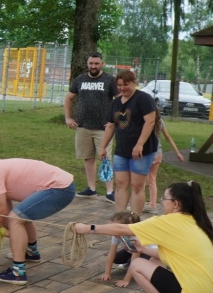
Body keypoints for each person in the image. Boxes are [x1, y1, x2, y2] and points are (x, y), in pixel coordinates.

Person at [74, 181, 213, 293]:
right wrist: (143, 249)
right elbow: (173, 256)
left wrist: (87, 228)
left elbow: (122, 228)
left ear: (176, 204)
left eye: (164, 199)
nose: (161, 202)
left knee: (137, 265)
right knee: (155, 260)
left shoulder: (168, 222)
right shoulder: (197, 223)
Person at [0, 153, 76, 285]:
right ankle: (31, 253)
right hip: (63, 186)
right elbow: (4, 214)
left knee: (15, 218)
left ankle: (18, 273)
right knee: (18, 216)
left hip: (59, 189)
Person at [100, 70, 157, 217]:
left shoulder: (143, 99)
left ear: (134, 83)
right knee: (120, 184)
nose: (122, 88)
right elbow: (111, 125)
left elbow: (150, 121)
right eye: (119, 85)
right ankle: (119, 218)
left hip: (142, 151)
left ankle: (135, 219)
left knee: (137, 186)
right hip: (122, 150)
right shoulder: (115, 103)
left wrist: (139, 144)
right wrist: (103, 147)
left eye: (126, 85)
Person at [64, 52, 118, 202]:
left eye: (96, 63)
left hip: (103, 128)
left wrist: (114, 120)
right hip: (83, 127)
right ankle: (91, 189)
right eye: (91, 63)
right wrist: (68, 118)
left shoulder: (109, 80)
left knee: (105, 158)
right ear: (87, 64)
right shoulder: (80, 79)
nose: (93, 66)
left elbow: (120, 100)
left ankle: (109, 192)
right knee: (88, 158)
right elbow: (68, 98)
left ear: (102, 64)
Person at [145, 108, 185, 212]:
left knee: (141, 180)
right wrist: (177, 153)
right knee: (152, 179)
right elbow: (168, 137)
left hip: (149, 153)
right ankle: (152, 205)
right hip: (159, 153)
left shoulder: (146, 121)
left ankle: (140, 203)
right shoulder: (160, 122)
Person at [99, 211, 140, 286]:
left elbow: (134, 259)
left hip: (149, 254)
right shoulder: (116, 234)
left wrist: (126, 280)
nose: (112, 230)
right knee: (116, 258)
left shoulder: (134, 238)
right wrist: (107, 273)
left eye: (115, 228)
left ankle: (143, 268)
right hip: (131, 252)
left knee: (131, 262)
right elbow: (111, 254)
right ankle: (129, 265)